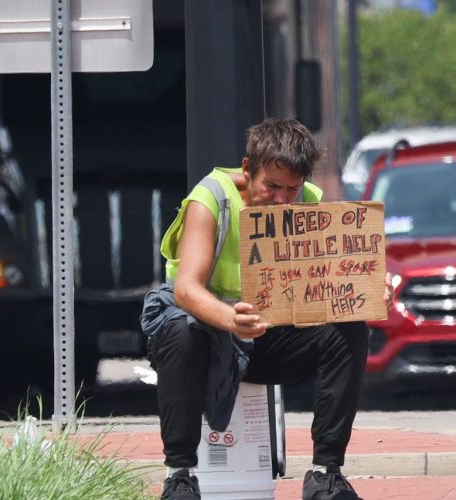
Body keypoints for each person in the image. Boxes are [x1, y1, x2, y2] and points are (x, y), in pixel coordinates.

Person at [148, 118, 372, 500]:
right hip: (207, 331)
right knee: (182, 331)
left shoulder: (309, 202)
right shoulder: (210, 199)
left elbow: (320, 286)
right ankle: (179, 475)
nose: (283, 199)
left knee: (350, 328)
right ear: (247, 169)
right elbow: (186, 290)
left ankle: (325, 473)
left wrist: (362, 287)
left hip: (268, 336)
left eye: (292, 189)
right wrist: (230, 320)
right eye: (272, 186)